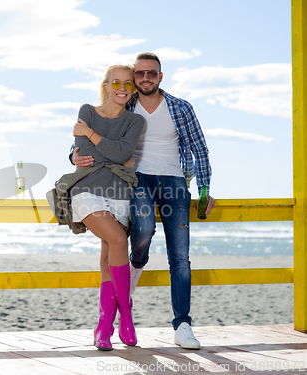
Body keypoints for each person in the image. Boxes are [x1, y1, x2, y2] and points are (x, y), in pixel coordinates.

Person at [72, 52, 215, 350]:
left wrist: (203, 188)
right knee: (143, 230)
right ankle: (133, 270)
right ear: (134, 78)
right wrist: (73, 155)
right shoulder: (126, 104)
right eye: (140, 74)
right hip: (137, 180)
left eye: (152, 73)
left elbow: (200, 149)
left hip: (175, 180)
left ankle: (183, 324)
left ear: (160, 77)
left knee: (180, 257)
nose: (145, 78)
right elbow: (83, 140)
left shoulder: (180, 107)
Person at [69, 64, 145, 351]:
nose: (122, 89)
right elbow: (85, 156)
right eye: (116, 83)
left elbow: (124, 154)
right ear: (106, 85)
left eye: (128, 84)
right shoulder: (87, 110)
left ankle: (103, 327)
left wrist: (91, 135)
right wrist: (111, 152)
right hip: (87, 187)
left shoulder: (135, 122)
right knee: (117, 240)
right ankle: (125, 315)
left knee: (108, 258)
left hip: (119, 191)